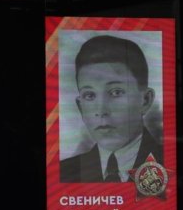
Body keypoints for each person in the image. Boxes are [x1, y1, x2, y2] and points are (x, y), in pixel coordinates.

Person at [60, 34, 163, 183]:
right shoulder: (64, 173)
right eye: (89, 95)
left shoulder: (170, 163)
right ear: (80, 107)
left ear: (145, 100)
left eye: (116, 92)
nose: (101, 111)